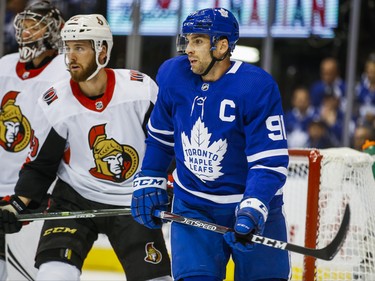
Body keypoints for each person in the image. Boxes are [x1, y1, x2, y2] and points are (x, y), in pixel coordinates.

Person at [0, 14, 171, 281]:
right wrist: (17, 205)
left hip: (133, 201)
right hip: (74, 199)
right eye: (68, 48)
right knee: (53, 276)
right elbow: (41, 164)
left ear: (102, 50)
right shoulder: (55, 101)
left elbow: (167, 145)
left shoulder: (140, 90)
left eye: (79, 48)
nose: (70, 57)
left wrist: (168, 183)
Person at [131, 7, 290, 281]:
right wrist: (150, 177)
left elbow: (269, 161)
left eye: (198, 41)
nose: (188, 49)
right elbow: (160, 138)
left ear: (222, 45)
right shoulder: (172, 75)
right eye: (188, 40)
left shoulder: (256, 86)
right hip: (193, 206)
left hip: (247, 204)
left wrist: (253, 206)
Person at [0, 1, 68, 279]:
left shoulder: (64, 73)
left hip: (33, 195)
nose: (26, 33)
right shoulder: (4, 65)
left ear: (53, 32)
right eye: (24, 26)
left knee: (22, 275)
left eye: (35, 26)